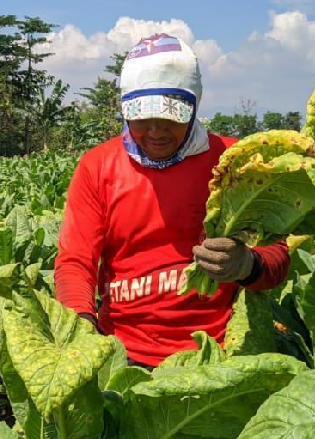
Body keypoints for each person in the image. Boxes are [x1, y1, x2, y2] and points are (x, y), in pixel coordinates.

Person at [55, 33, 290, 367]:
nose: (155, 130)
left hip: (217, 354)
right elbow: (75, 262)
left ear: (194, 106)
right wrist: (81, 328)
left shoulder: (234, 162)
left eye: (171, 116)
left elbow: (277, 258)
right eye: (140, 117)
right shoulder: (97, 166)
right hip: (122, 354)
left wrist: (247, 264)